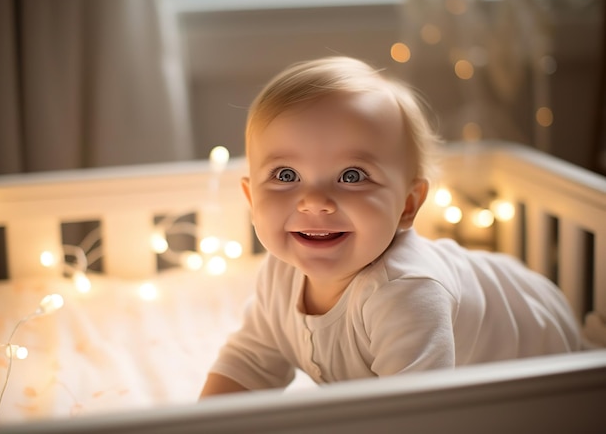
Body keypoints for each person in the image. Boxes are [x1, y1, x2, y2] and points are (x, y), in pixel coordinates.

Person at [199, 56, 584, 397]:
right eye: (286, 174)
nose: (314, 200)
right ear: (251, 200)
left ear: (407, 205)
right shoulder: (280, 275)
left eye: (352, 175)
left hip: (548, 361)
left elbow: (410, 416)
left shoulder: (405, 293)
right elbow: (250, 362)